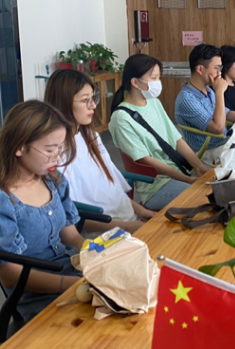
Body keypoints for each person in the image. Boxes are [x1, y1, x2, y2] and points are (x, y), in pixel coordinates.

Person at [0, 101, 84, 322]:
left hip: (72, 271)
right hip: (37, 295)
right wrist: (74, 283)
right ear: (19, 147)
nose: (57, 157)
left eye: (60, 148)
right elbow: (11, 276)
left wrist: (98, 252)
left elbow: (70, 235)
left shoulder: (53, 180)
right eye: (50, 150)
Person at [44, 68, 156, 232]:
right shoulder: (55, 152)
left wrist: (140, 211)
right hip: (101, 231)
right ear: (63, 103)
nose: (93, 106)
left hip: (126, 220)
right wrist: (127, 226)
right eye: (85, 100)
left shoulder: (91, 136)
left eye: (93, 98)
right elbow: (72, 218)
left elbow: (111, 188)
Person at [110, 54, 208, 210]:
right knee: (207, 199)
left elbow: (176, 140)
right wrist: (187, 180)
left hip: (181, 171)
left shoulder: (154, 103)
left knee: (218, 189)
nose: (158, 83)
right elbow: (146, 161)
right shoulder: (121, 118)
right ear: (135, 82)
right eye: (154, 78)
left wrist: (199, 166)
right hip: (156, 186)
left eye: (158, 78)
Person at [174, 44, 235, 165]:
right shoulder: (186, 99)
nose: (219, 73)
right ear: (200, 69)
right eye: (217, 68)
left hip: (224, 144)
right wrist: (219, 92)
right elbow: (218, 128)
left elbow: (227, 113)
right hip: (208, 152)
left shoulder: (208, 91)